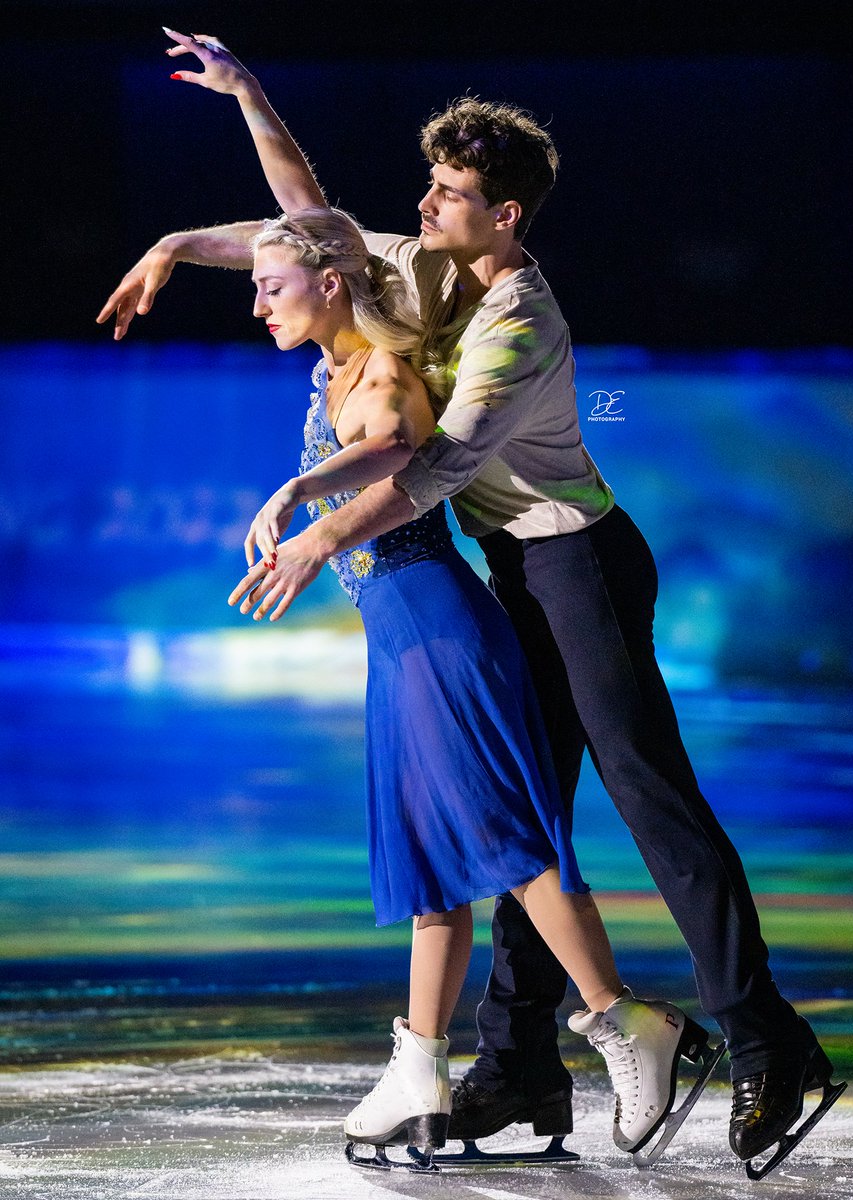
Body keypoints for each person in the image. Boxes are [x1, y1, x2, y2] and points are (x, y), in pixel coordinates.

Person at [98, 31, 844, 1174]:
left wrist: (314, 530)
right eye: (433, 186)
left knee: (648, 797)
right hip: (509, 572)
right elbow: (303, 223)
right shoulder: (434, 264)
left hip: (578, 562)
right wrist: (228, 128)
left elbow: (430, 467)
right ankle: (520, 1071)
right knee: (520, 818)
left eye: (450, 193)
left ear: (504, 217)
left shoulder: (519, 322)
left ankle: (768, 1041)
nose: (426, 202)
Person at [230, 203, 712, 1166]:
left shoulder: (382, 372)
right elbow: (302, 216)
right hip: (399, 642)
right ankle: (421, 1068)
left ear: (333, 283)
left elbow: (400, 449)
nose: (255, 306)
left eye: (269, 288)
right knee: (432, 863)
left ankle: (625, 1022)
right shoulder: (333, 368)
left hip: (442, 634)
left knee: (505, 842)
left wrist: (300, 496)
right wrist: (238, 105)